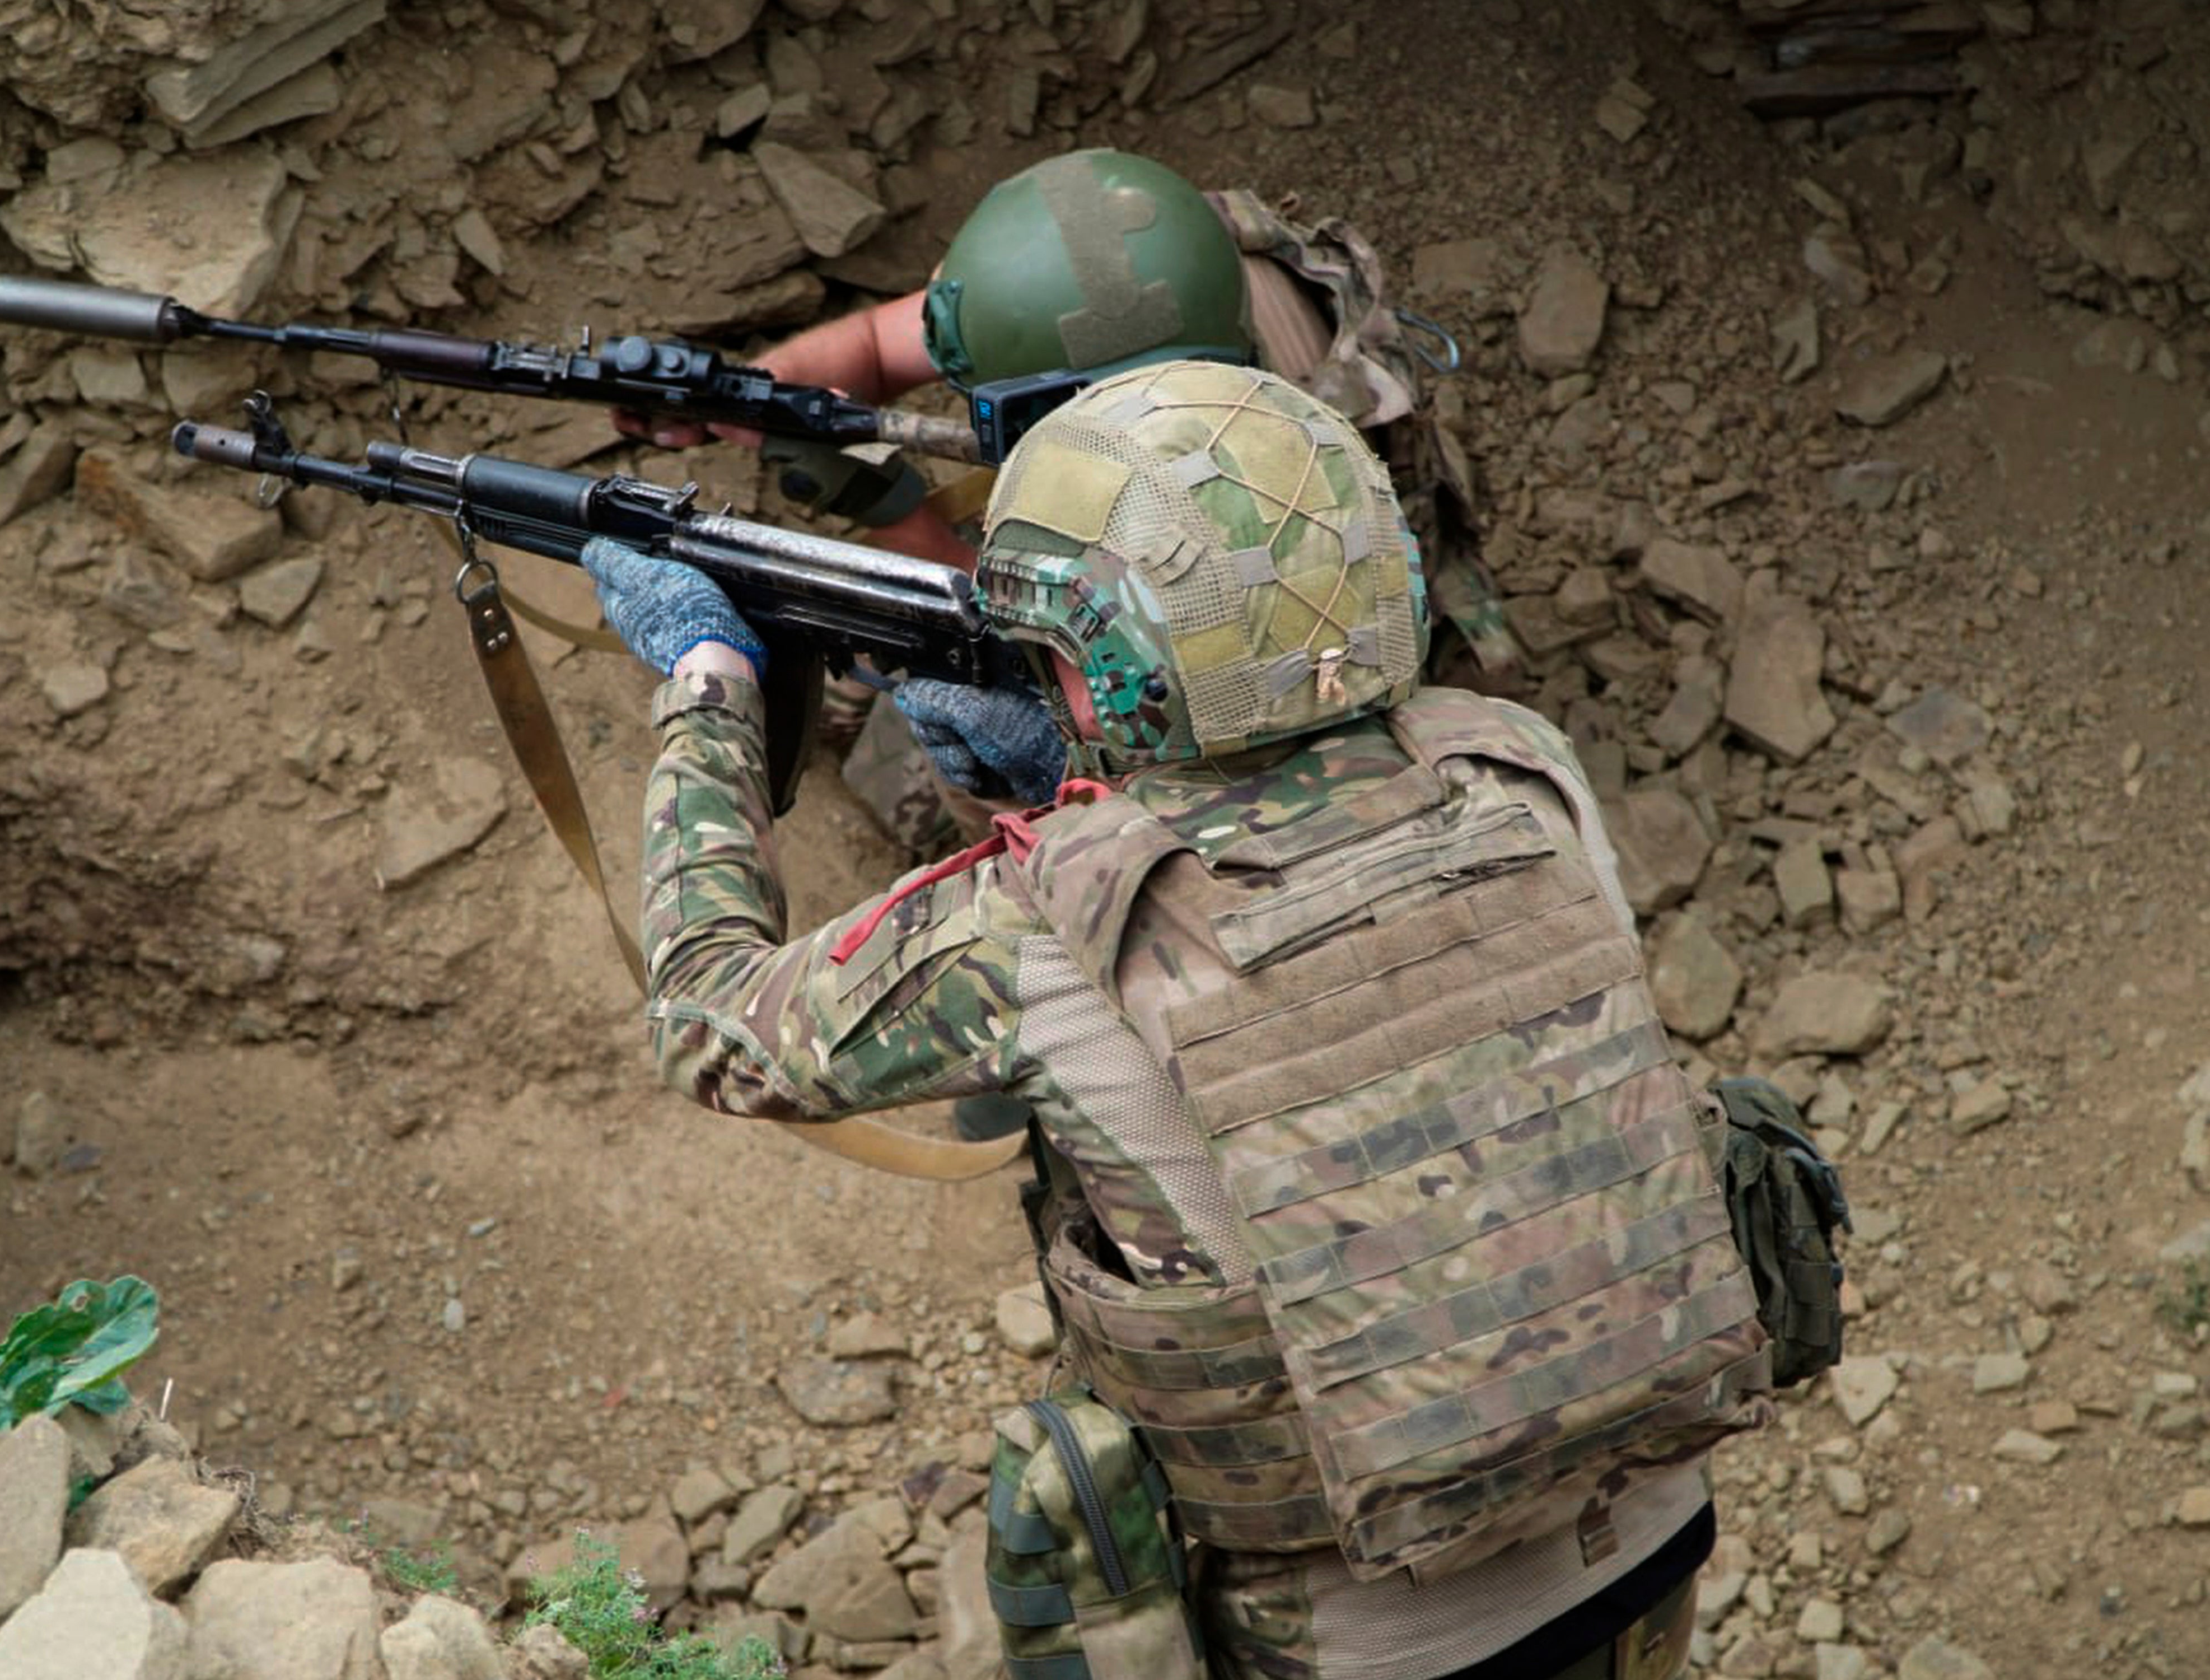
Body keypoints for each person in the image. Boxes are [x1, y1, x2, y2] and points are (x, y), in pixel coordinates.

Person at [582, 359, 1776, 1680]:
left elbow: (707, 1022)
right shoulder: (1518, 765)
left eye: (1059, 646)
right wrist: (1085, 779)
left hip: (1369, 1641)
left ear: (1110, 661)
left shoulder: (1026, 932)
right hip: (1654, 1542)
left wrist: (707, 681)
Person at [617, 147, 1518, 855]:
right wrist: (759, 397)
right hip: (1178, 576)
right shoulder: (1154, 265)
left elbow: (1065, 685)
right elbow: (875, 344)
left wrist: (897, 518)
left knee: (956, 743)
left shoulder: (1256, 477)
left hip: (1276, 661)